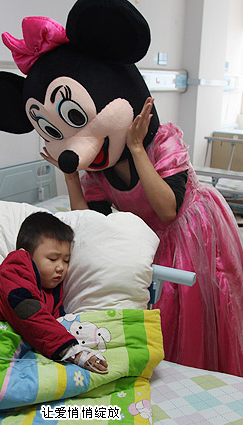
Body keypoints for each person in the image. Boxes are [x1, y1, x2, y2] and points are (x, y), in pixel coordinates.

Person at [42, 97, 243, 376]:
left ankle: (211, 369)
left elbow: (168, 210)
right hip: (151, 235)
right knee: (163, 307)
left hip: (192, 227)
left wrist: (136, 148)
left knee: (202, 305)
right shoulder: (98, 167)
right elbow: (91, 224)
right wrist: (71, 176)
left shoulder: (163, 141)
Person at [0, 211, 109, 374]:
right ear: (26, 253)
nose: (61, 267)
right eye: (53, 259)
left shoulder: (52, 291)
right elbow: (27, 310)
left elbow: (54, 323)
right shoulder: (17, 267)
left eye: (66, 261)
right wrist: (72, 351)